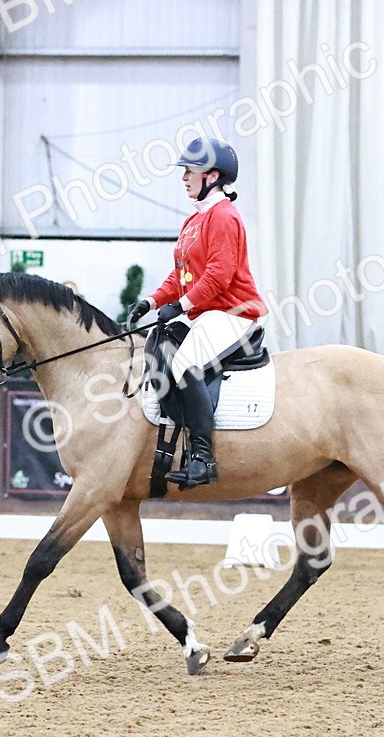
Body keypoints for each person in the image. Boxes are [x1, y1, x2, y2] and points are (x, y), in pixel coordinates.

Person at [125, 137, 268, 489]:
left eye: (190, 171)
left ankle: (203, 459)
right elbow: (181, 275)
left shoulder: (224, 216)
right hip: (208, 313)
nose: (184, 177)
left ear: (212, 176)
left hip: (235, 312)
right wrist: (151, 302)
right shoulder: (194, 220)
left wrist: (180, 306)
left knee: (184, 362)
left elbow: (219, 275)